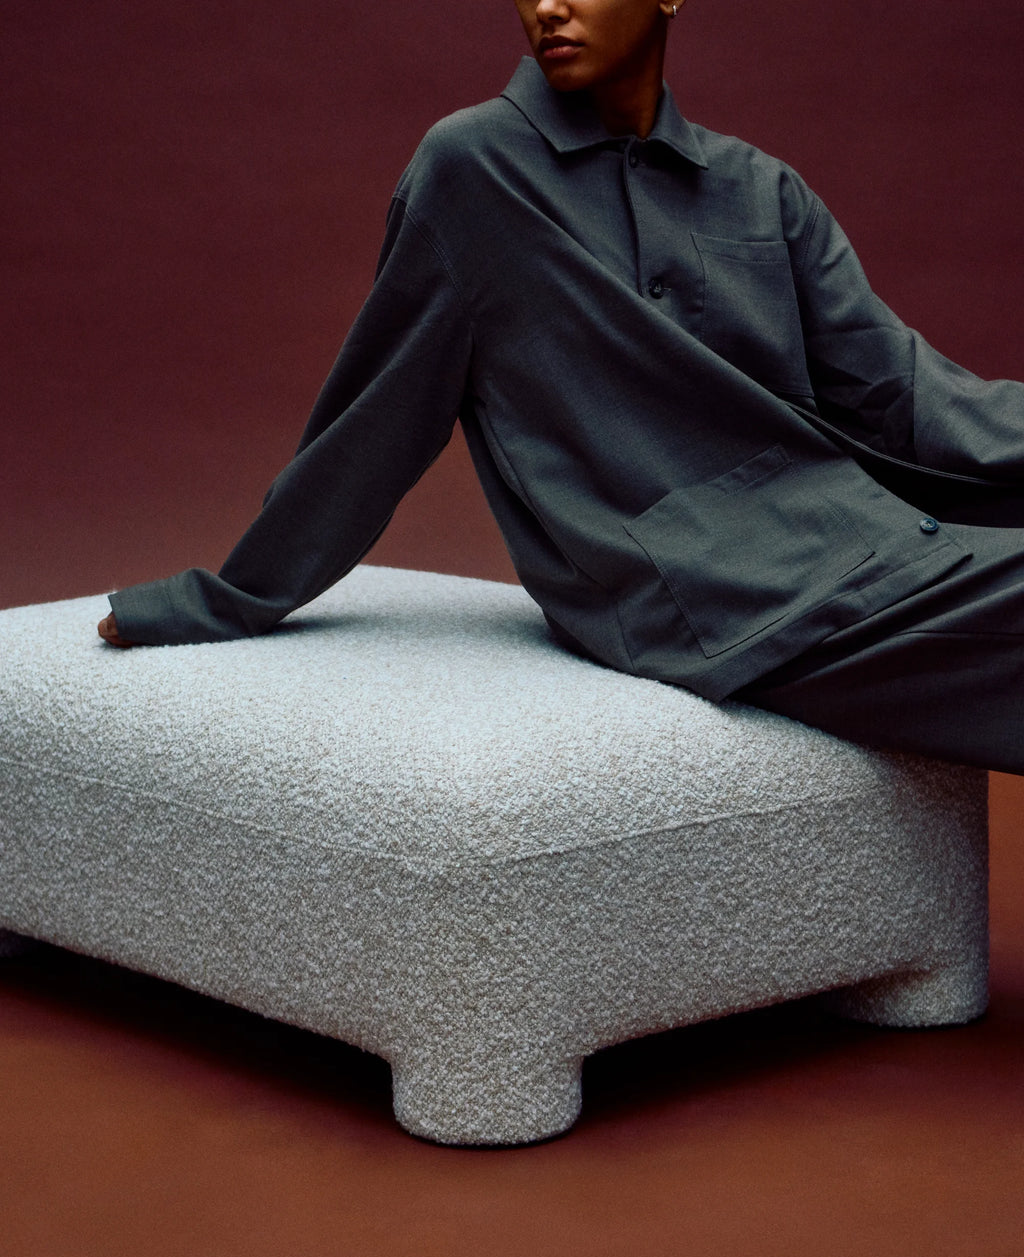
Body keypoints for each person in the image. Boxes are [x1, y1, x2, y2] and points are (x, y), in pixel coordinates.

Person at [99, 0, 1024, 772]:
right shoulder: (473, 170)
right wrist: (225, 599)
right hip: (709, 600)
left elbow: (908, 399)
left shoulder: (760, 188)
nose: (546, 5)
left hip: (868, 551)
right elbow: (371, 422)